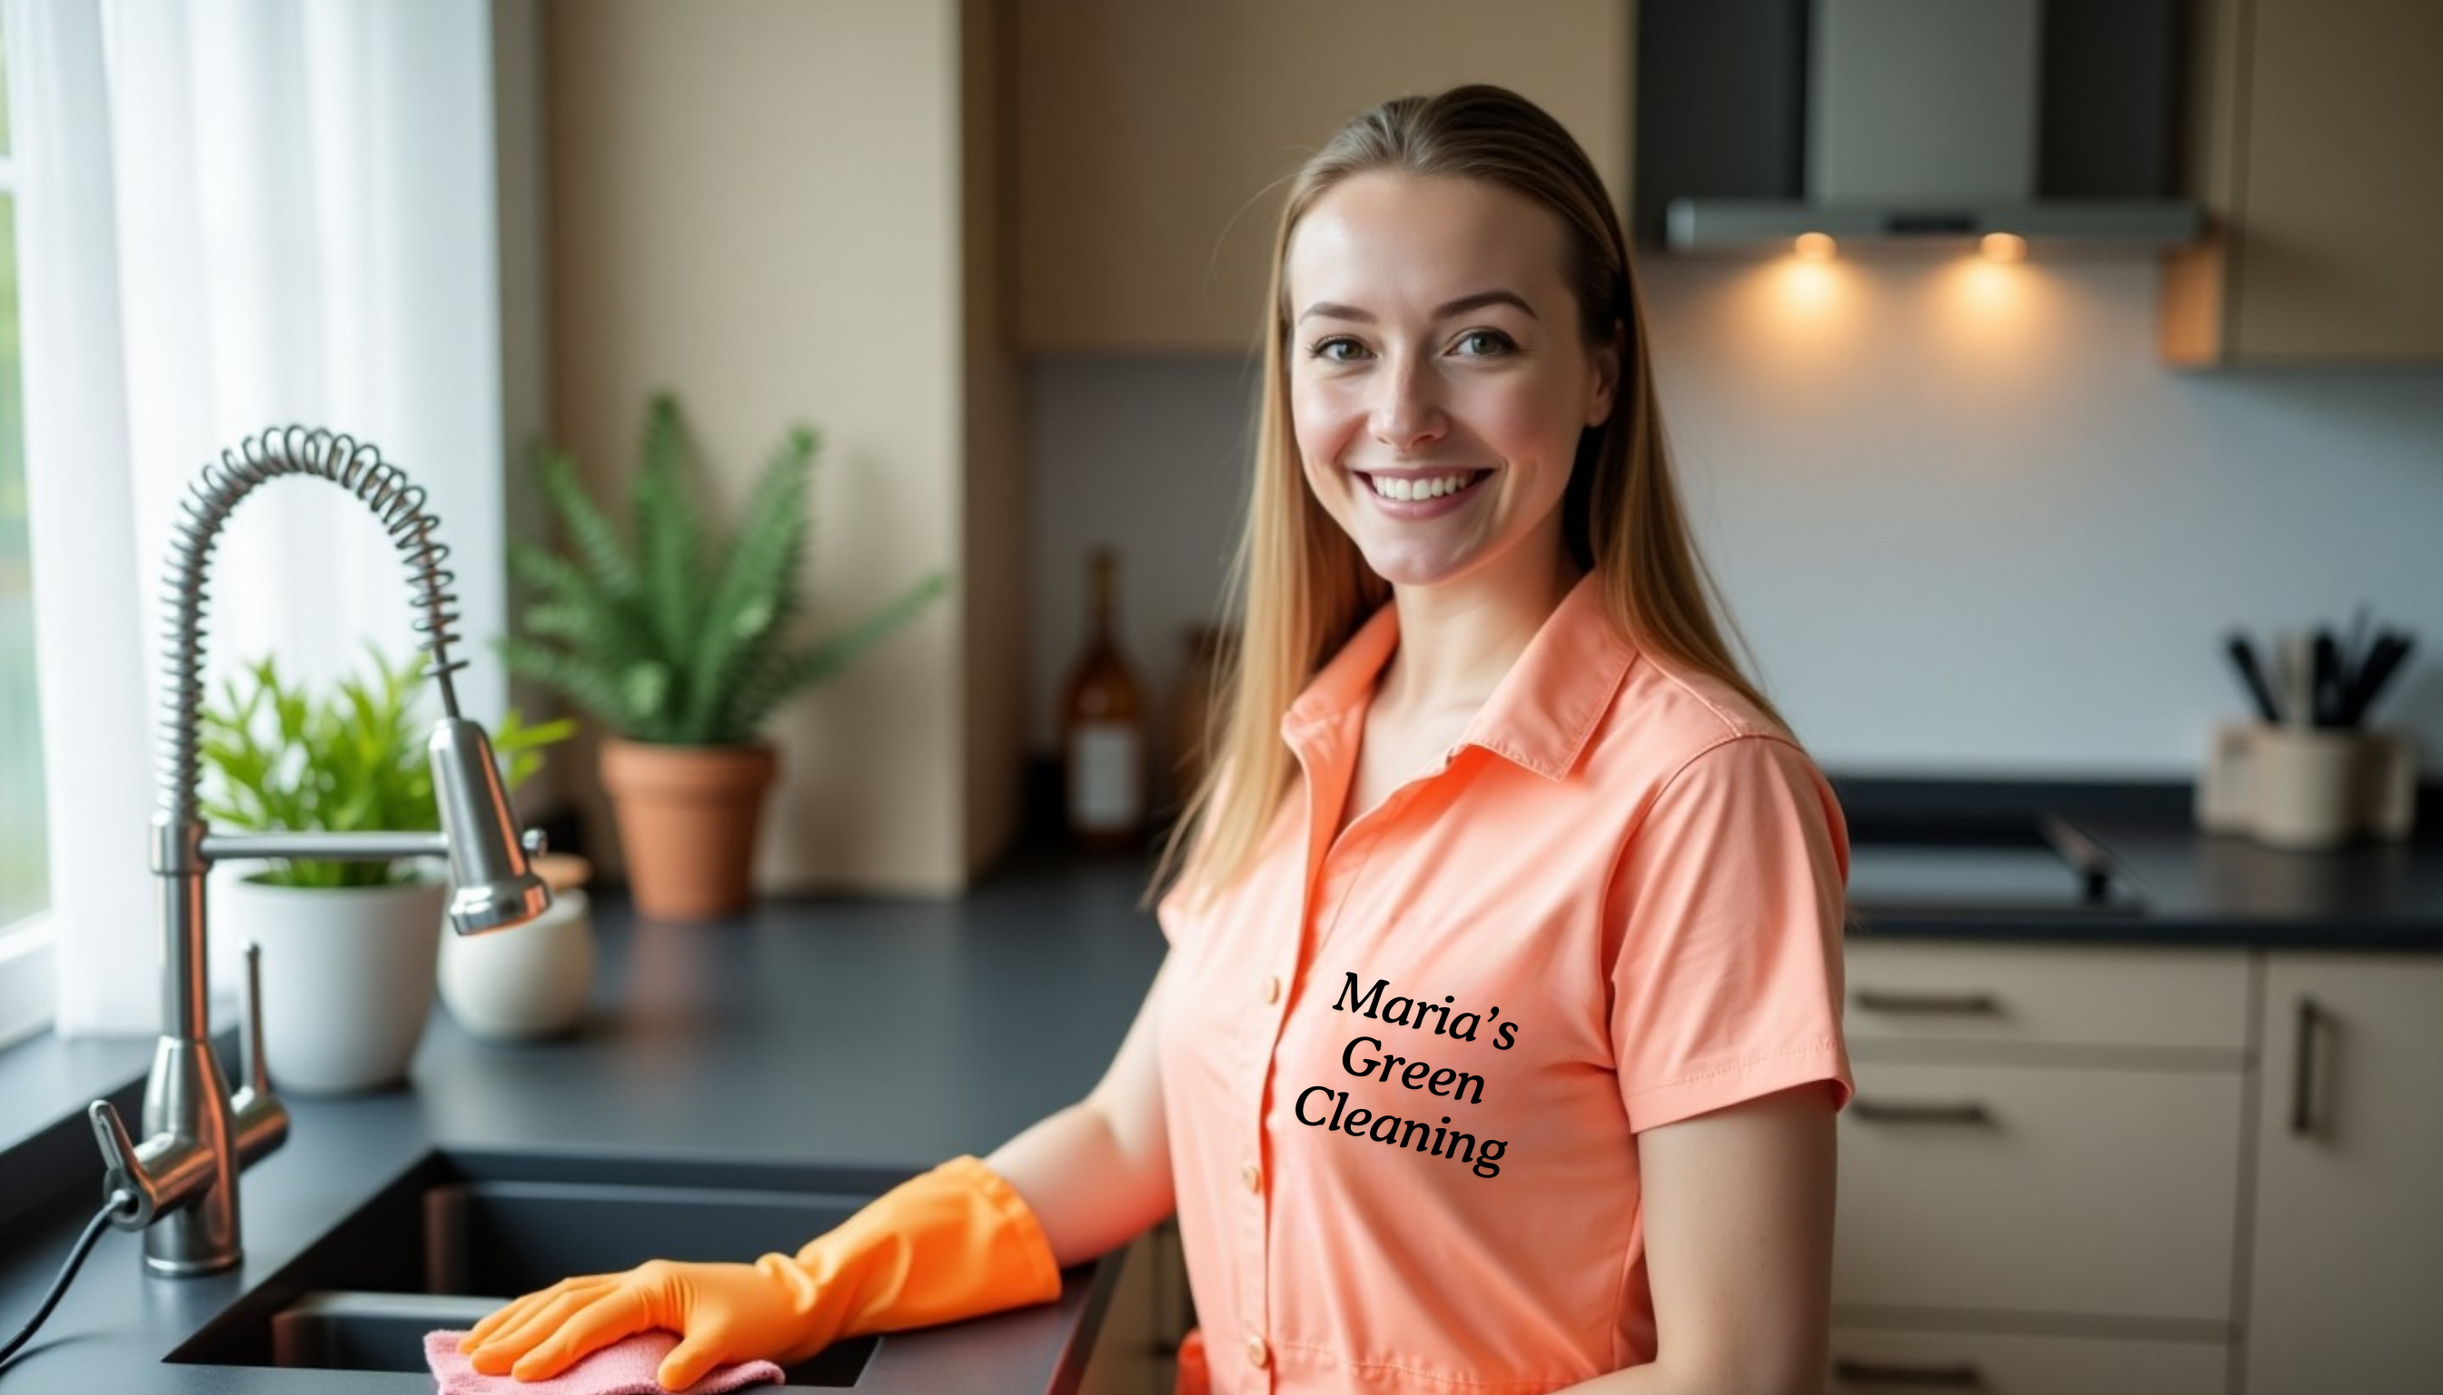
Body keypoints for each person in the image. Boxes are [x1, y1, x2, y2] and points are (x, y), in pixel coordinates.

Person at [460, 83, 1853, 1395]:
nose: (1402, 413)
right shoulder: (1307, 732)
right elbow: (1129, 1133)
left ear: (1601, 372)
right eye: (1344, 345)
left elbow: (1740, 1371)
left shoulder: (1698, 792)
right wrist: (799, 1287)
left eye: (1479, 340)